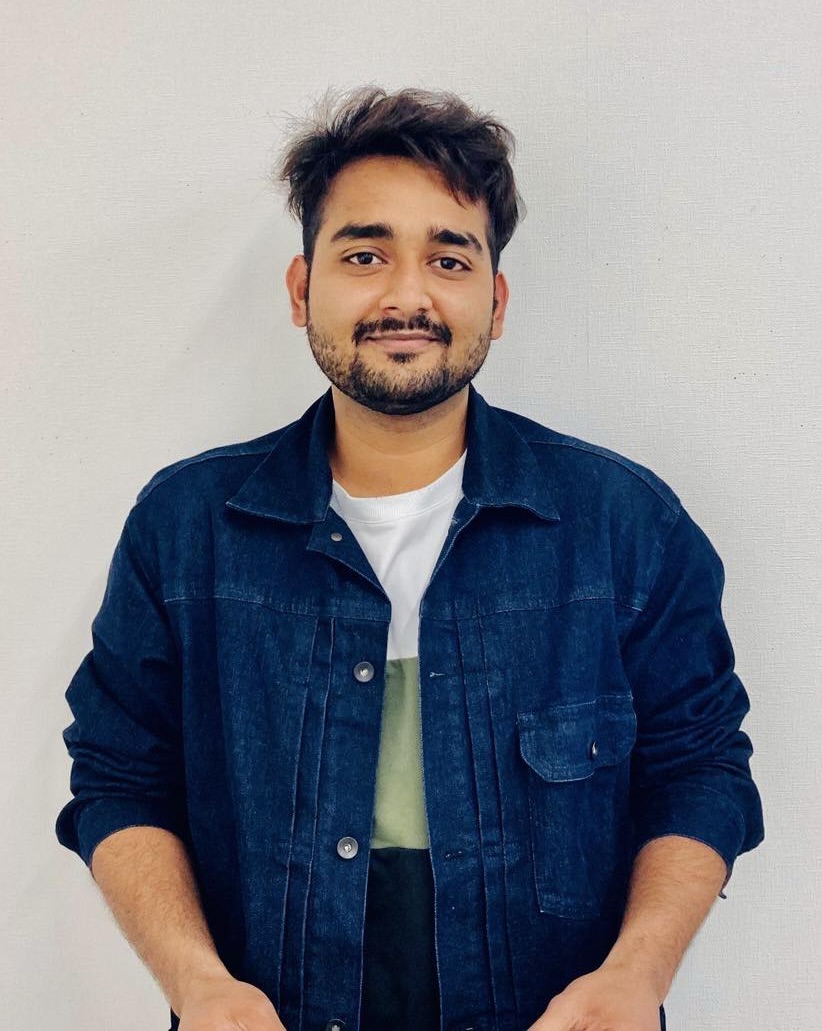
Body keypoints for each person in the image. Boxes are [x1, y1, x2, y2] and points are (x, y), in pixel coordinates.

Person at [56, 87, 763, 1031]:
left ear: (495, 301)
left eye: (448, 257)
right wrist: (199, 984)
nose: (406, 295)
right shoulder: (186, 527)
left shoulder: (624, 524)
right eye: (364, 254)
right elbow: (119, 777)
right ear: (304, 289)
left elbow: (702, 767)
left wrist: (636, 976)